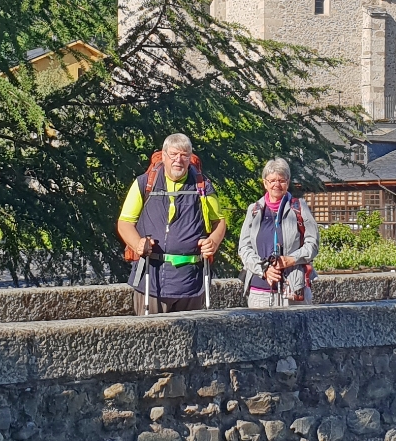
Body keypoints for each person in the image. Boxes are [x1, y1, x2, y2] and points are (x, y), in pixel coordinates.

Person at [116, 133, 227, 314]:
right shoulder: (144, 183)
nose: (179, 160)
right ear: (164, 155)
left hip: (191, 280)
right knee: (150, 338)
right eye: (174, 154)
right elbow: (125, 222)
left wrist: (213, 242)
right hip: (151, 278)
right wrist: (138, 244)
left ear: (190, 158)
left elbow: (219, 222)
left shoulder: (203, 187)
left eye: (184, 155)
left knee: (191, 340)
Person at [238, 158, 318, 308]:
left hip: (293, 289)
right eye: (272, 180)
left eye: (281, 180)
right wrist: (263, 270)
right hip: (260, 290)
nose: (277, 184)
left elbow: (313, 244)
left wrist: (291, 260)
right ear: (265, 183)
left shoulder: (299, 208)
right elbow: (244, 248)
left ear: (287, 183)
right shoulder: (254, 210)